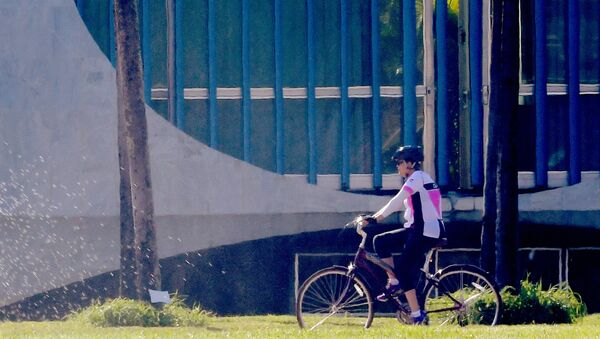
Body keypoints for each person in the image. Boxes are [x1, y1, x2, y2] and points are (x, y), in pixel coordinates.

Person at [359, 145, 446, 325]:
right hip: (417, 229)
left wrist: (374, 218)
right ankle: (394, 281)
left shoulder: (417, 178)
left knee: (404, 270)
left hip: (426, 231)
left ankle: (417, 315)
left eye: (400, 162)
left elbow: (396, 201)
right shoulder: (416, 179)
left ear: (411, 163)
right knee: (380, 241)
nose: (397, 166)